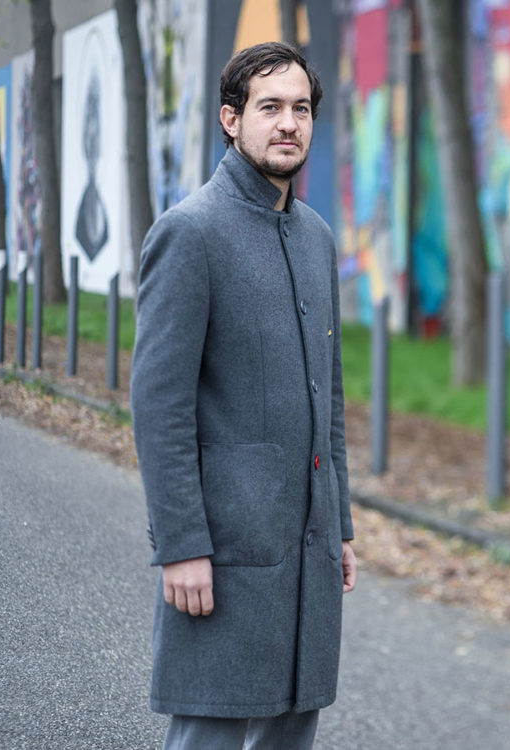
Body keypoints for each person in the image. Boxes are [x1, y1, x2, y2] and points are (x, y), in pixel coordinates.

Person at [130, 42, 357, 750]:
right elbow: (159, 408)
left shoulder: (318, 238)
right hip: (225, 551)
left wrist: (340, 523)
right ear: (231, 120)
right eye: (269, 108)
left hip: (306, 544)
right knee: (210, 729)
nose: (288, 123)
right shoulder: (190, 233)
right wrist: (180, 547)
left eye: (300, 109)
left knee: (295, 725)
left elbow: (332, 397)